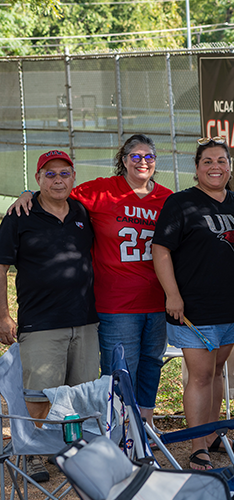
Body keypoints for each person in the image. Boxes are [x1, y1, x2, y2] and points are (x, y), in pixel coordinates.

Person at [8, 135, 173, 431]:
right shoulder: (100, 190)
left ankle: (143, 425)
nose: (142, 162)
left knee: (151, 364)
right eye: (135, 156)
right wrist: (27, 194)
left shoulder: (167, 198)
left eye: (149, 156)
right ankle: (118, 428)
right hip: (116, 302)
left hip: (157, 300)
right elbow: (57, 189)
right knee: (119, 370)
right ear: (123, 160)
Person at [153, 137, 234, 470]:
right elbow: (161, 249)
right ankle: (198, 446)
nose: (215, 167)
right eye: (207, 161)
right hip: (195, 308)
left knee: (217, 372)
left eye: (221, 161)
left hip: (233, 307)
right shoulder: (181, 203)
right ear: (196, 168)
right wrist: (172, 294)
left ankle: (212, 435)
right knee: (199, 377)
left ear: (230, 167)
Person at [0, 150, 99, 482]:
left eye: (64, 173)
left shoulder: (82, 212)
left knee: (81, 395)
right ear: (38, 178)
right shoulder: (20, 215)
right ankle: (32, 454)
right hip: (40, 323)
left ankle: (74, 451)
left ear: (74, 178)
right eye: (50, 174)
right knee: (40, 395)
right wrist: (3, 316)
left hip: (85, 320)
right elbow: (1, 268)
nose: (58, 180)